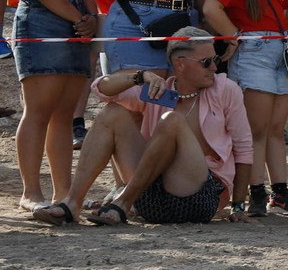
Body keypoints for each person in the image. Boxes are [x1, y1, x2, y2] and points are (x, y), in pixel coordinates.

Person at [71, 28, 253, 226]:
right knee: (112, 112)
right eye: (206, 62)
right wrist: (139, 77)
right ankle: (71, 203)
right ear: (180, 64)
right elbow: (101, 89)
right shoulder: (159, 91)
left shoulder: (225, 89)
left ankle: (122, 202)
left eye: (215, 60)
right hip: (149, 198)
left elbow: (243, 149)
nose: (214, 68)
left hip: (198, 199)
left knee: (171, 120)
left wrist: (238, 207)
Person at [3, 0, 97, 223]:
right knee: (38, 109)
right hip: (42, 20)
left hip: (72, 19)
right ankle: (31, 192)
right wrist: (79, 17)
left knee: (64, 112)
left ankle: (63, 194)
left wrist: (87, 12)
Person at [201, 0, 288, 218]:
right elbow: (210, 8)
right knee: (257, 130)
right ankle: (257, 191)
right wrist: (233, 35)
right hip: (254, 52)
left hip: (280, 52)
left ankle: (279, 192)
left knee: (274, 129)